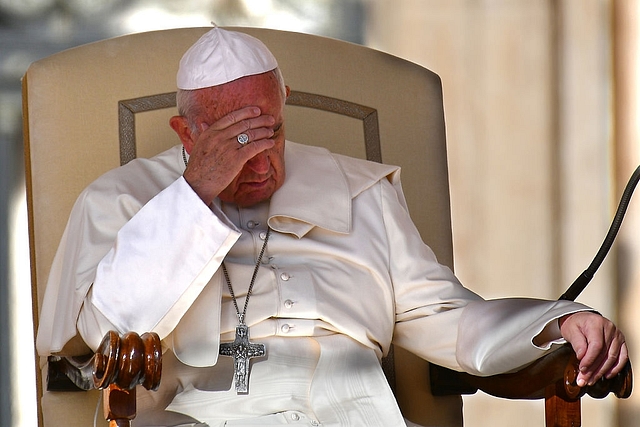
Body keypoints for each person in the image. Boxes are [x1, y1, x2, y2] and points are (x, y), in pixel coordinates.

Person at [36, 27, 628, 427]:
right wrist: (198, 190)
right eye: (232, 142)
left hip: (358, 410)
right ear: (185, 133)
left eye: (269, 130)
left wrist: (555, 323)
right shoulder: (120, 200)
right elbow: (107, 329)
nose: (260, 162)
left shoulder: (361, 192)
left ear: (284, 102)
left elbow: (445, 318)